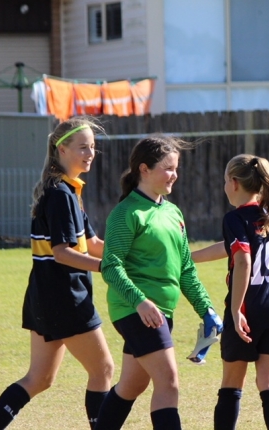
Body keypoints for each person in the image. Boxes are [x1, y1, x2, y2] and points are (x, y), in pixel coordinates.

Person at [0, 118, 114, 430]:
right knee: (103, 369)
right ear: (62, 149)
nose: (90, 152)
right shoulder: (60, 195)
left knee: (39, 379)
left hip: (45, 298)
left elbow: (92, 243)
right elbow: (63, 253)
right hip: (66, 300)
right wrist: (108, 268)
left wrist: (130, 256)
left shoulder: (68, 191)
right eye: (83, 147)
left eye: (93, 147)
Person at [95, 135, 224, 430]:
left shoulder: (172, 212)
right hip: (136, 311)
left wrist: (206, 310)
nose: (174, 174)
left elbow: (186, 268)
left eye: (176, 168)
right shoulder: (126, 213)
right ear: (144, 169)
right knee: (169, 383)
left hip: (161, 312)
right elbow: (111, 267)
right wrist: (139, 301)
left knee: (131, 386)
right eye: (168, 168)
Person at [191, 154, 269, 430]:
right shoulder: (267, 212)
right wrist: (190, 258)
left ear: (234, 183)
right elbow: (232, 247)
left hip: (250, 308)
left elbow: (244, 259)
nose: (224, 186)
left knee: (232, 384)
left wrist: (235, 311)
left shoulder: (234, 218)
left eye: (225, 180)